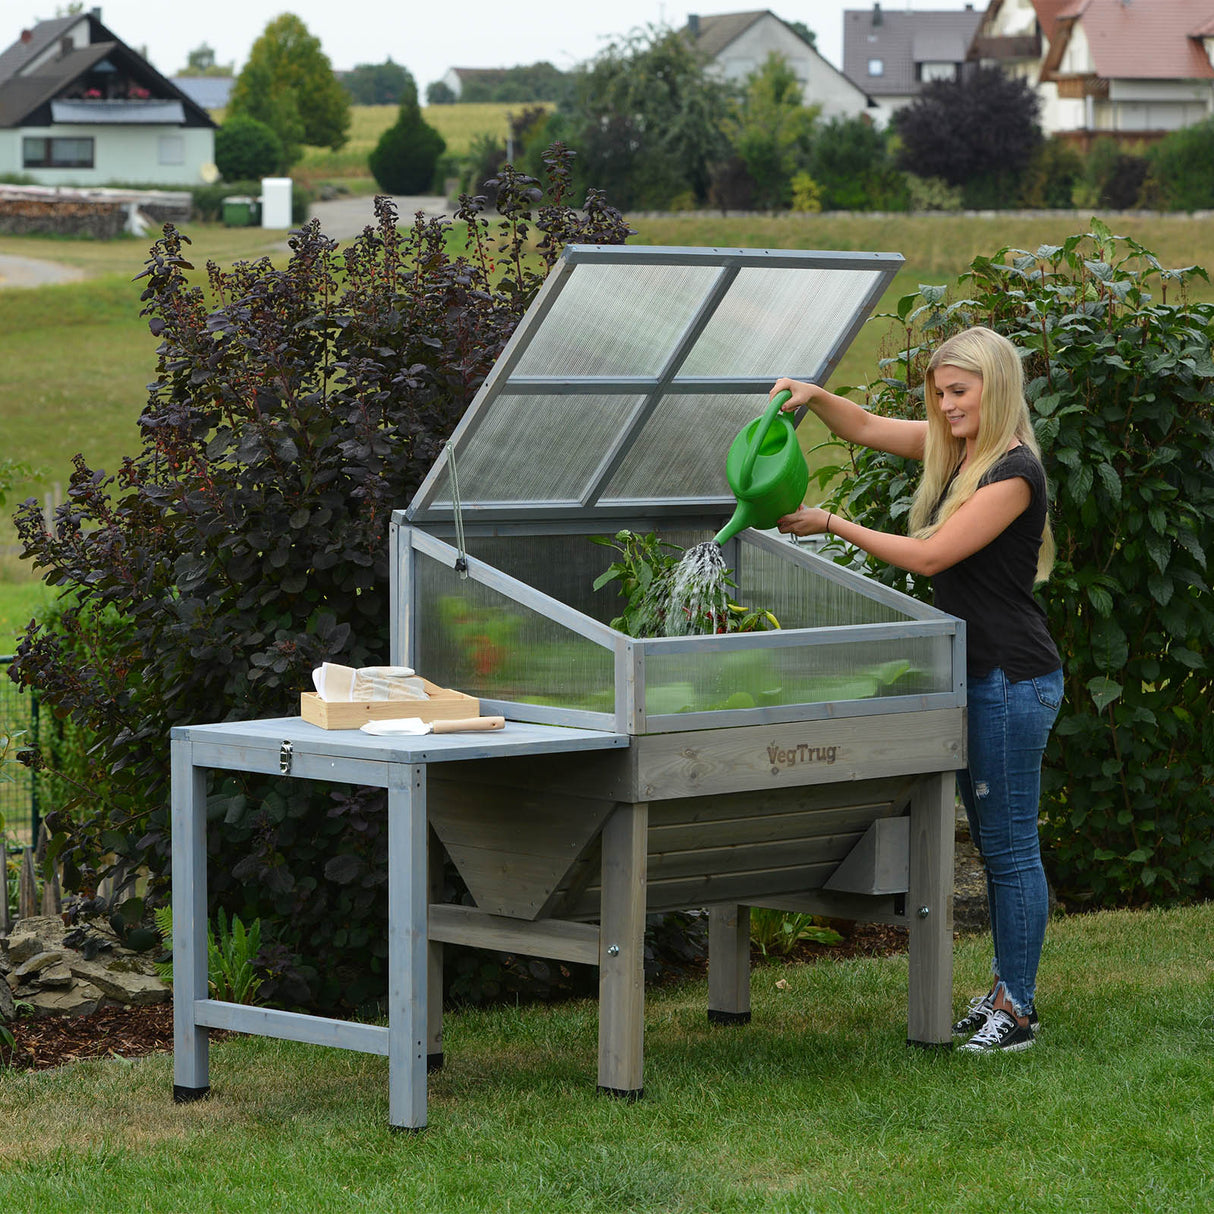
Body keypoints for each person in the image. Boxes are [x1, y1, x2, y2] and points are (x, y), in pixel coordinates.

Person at [771, 325, 1063, 1054]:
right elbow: (868, 428)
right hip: (980, 674)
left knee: (1010, 849)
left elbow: (932, 557)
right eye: (938, 393)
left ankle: (1017, 1009)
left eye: (959, 391)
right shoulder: (958, 449)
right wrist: (813, 395)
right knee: (996, 844)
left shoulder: (1012, 473)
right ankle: (1003, 992)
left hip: (1011, 678)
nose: (946, 404)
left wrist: (831, 523)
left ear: (996, 387)